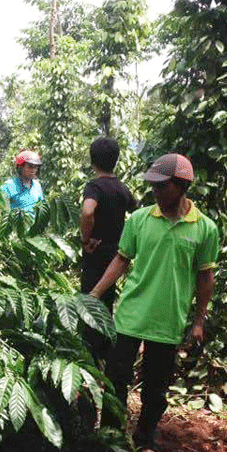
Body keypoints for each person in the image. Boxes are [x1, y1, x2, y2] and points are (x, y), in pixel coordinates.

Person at [89, 153, 219, 449]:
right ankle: (110, 439)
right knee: (115, 379)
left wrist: (199, 321)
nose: (155, 192)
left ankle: (145, 437)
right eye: (153, 186)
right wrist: (94, 295)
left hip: (167, 319)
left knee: (156, 389)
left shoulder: (204, 229)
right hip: (131, 314)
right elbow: (121, 260)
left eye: (162, 187)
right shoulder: (139, 219)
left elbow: (205, 277)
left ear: (182, 185)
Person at [79, 137, 137, 365]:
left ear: (92, 160)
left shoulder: (94, 186)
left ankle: (90, 355)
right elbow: (136, 210)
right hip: (116, 255)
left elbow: (87, 211)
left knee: (91, 299)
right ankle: (105, 353)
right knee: (107, 300)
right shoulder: (122, 188)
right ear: (116, 160)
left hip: (95, 251)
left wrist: (86, 239)